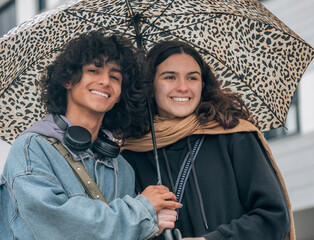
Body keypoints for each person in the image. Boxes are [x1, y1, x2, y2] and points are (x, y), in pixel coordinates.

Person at [0, 30, 181, 240]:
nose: (105, 81)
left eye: (115, 76)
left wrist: (152, 226)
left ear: (120, 94)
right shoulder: (32, 149)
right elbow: (63, 228)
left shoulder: (121, 167)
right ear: (68, 80)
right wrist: (142, 210)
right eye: (94, 70)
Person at [121, 40, 295, 240]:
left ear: (202, 85)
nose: (183, 87)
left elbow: (274, 217)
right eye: (170, 77)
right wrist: (150, 225)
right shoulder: (130, 156)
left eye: (192, 78)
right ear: (150, 86)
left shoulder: (234, 136)